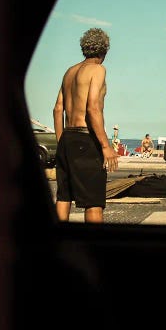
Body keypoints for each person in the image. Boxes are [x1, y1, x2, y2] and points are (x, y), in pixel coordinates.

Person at [52, 27, 118, 223]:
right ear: (104, 50)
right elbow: (93, 108)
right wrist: (106, 147)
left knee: (64, 197)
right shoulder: (98, 70)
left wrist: (62, 142)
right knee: (93, 201)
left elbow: (57, 109)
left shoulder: (69, 72)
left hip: (67, 138)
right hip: (85, 139)